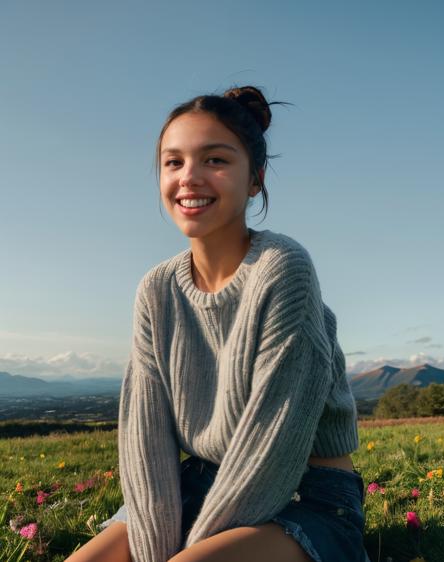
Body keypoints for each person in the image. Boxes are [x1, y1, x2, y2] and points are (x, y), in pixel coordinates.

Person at [65, 85, 369, 562]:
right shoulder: (156, 289)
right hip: (199, 482)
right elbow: (145, 439)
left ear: (255, 179)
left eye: (215, 160)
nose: (189, 177)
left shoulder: (283, 268)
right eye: (173, 162)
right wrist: (154, 548)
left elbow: (272, 450)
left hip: (307, 497)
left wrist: (191, 549)